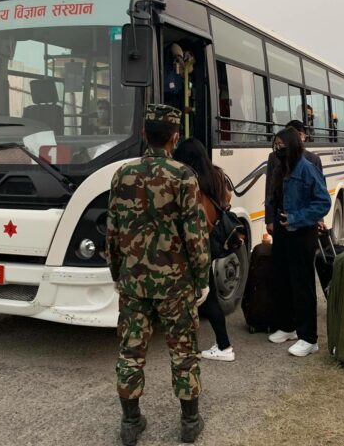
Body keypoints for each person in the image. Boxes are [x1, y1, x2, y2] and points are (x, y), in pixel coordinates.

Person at [106, 104, 210, 445]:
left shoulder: (122, 174)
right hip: (176, 284)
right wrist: (201, 278)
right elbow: (195, 235)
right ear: (174, 138)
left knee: (130, 351)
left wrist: (117, 272)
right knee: (183, 352)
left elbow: (112, 230)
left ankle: (130, 422)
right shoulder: (183, 176)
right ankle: (189, 422)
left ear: (143, 134)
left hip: (133, 282)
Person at [266, 128, 331, 357]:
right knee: (282, 280)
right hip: (282, 232)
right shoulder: (280, 168)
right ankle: (288, 326)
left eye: (281, 145)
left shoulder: (307, 168)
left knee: (302, 284)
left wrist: (296, 217)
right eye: (276, 145)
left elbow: (323, 202)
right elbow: (274, 198)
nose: (278, 149)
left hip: (301, 232)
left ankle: (309, 338)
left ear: (293, 145)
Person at [173, 138, 236, 363]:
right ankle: (222, 345)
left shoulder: (189, 181)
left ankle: (222, 346)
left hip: (193, 241)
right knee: (207, 294)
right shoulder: (217, 174)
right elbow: (227, 199)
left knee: (198, 297)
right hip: (209, 240)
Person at [265, 120, 322, 236]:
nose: (278, 148)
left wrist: (318, 219)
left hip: (304, 228)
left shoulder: (311, 162)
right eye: (276, 145)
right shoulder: (276, 161)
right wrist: (270, 220)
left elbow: (320, 199)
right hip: (281, 224)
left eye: (298, 134)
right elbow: (270, 193)